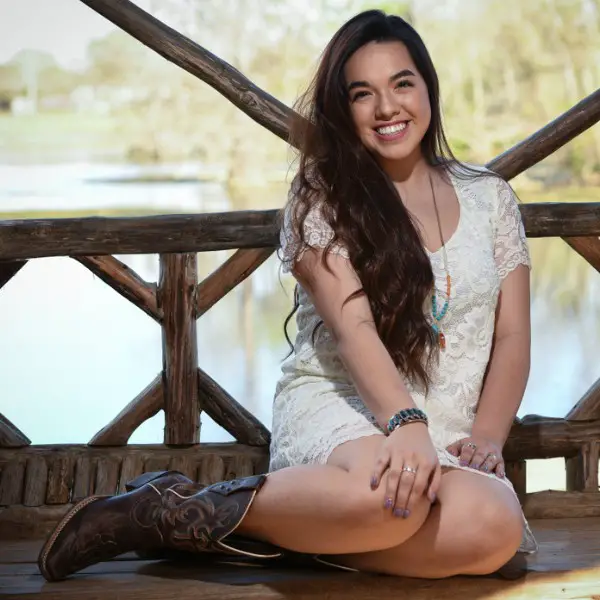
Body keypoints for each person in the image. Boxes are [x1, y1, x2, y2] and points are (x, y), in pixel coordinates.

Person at [38, 9, 537, 583]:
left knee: (492, 527)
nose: (387, 108)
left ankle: (230, 531)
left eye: (402, 83)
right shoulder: (322, 199)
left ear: (429, 87)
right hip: (345, 407)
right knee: (385, 503)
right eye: (362, 94)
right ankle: (164, 513)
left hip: (447, 428)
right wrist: (405, 424)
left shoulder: (490, 198)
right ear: (342, 110)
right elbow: (354, 331)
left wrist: (487, 437)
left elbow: (512, 334)